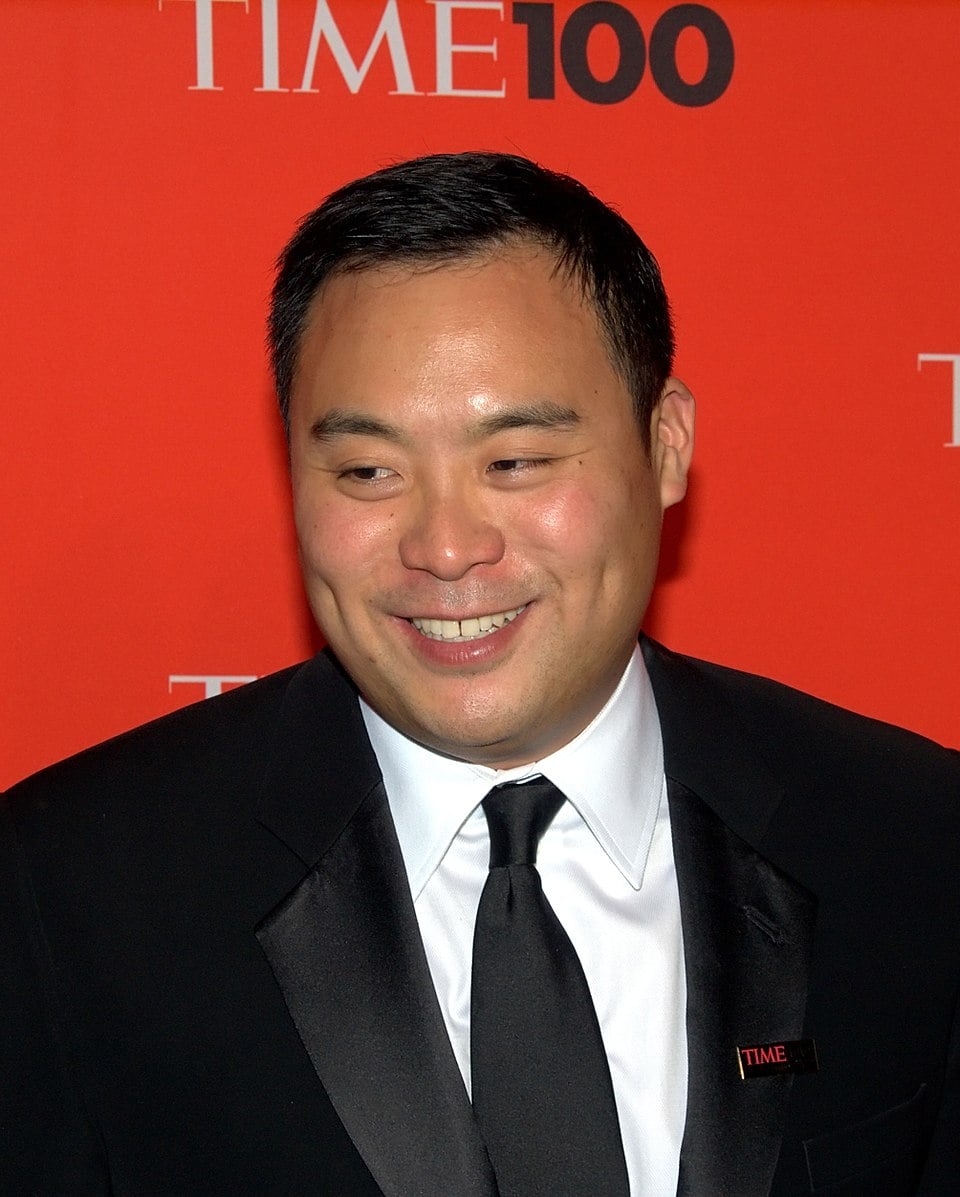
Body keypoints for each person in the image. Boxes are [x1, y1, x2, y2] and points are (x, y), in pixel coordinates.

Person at [1, 152, 957, 1197]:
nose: (446, 547)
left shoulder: (911, 846)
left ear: (665, 444)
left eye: (516, 462)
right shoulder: (70, 894)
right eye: (370, 471)